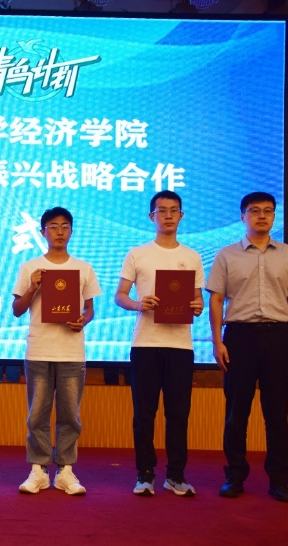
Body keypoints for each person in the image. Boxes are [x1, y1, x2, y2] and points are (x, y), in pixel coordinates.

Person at [207, 191, 288, 503]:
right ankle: (234, 476)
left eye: (268, 211)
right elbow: (216, 299)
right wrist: (217, 341)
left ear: (274, 216)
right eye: (254, 211)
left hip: (278, 337)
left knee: (277, 414)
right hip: (239, 337)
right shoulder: (227, 255)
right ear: (243, 217)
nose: (262, 216)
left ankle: (279, 480)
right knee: (236, 413)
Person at [114, 190, 205, 497]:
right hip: (145, 344)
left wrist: (197, 307)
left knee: (178, 414)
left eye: (174, 210)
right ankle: (145, 473)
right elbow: (120, 295)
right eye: (162, 210)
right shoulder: (138, 254)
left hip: (181, 346)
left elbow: (197, 300)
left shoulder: (191, 256)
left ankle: (176, 475)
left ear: (181, 215)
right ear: (151, 216)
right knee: (144, 413)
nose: (168, 215)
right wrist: (139, 304)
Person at [12, 207, 101, 495]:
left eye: (64, 226)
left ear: (71, 231)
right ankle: (38, 469)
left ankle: (65, 470)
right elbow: (17, 309)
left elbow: (90, 310)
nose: (59, 231)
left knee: (69, 416)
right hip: (39, 350)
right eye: (53, 226)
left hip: (71, 352)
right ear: (43, 232)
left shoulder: (84, 268)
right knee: (37, 416)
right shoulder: (30, 267)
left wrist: (82, 320)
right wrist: (33, 287)